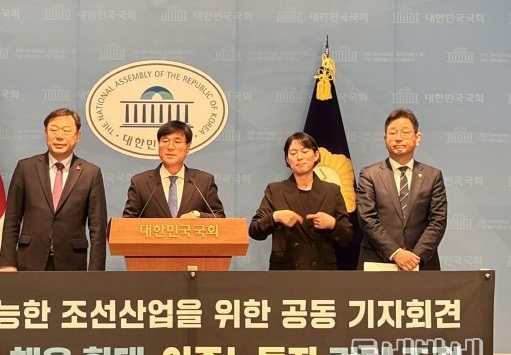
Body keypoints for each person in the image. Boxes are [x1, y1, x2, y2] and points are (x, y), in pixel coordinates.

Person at [0, 108, 107, 271]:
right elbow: (12, 219)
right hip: (29, 261)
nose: (59, 136)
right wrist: (7, 262)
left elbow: (97, 228)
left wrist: (96, 271)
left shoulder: (91, 173)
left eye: (66, 130)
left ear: (78, 136)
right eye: (53, 130)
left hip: (72, 263)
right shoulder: (26, 168)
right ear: (45, 133)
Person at [357, 108, 447, 271]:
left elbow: (438, 220)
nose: (398, 138)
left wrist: (415, 257)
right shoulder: (369, 174)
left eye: (405, 132)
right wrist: (396, 252)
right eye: (392, 133)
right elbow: (367, 218)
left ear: (417, 138)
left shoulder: (433, 176)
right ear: (385, 139)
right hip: (378, 261)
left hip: (421, 263)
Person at [249, 132, 352, 270]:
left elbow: (347, 237)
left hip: (322, 271)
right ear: (287, 159)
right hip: (286, 271)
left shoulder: (332, 191)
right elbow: (254, 231)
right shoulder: (275, 190)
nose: (299, 157)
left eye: (305, 151)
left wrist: (333, 224)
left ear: (316, 155)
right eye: (293, 153)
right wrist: (275, 217)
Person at [123, 120, 225, 218]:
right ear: (158, 144)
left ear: (188, 147)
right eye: (165, 141)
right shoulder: (140, 183)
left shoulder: (203, 182)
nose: (170, 147)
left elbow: (219, 217)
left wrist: (197, 215)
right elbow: (126, 223)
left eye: (177, 141)